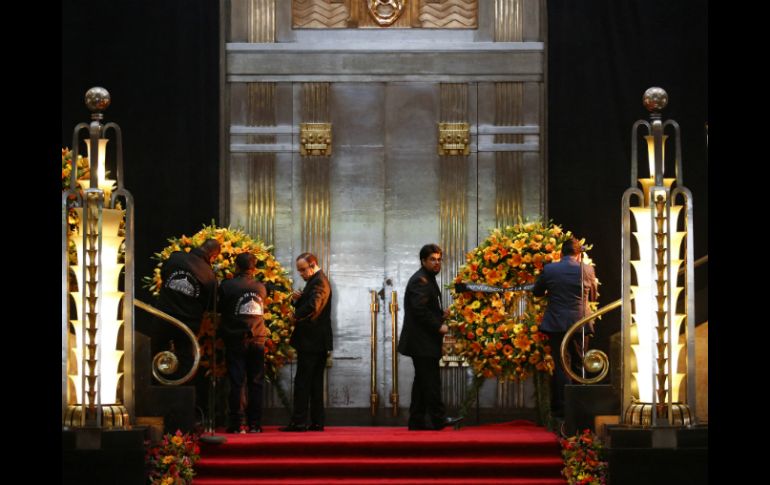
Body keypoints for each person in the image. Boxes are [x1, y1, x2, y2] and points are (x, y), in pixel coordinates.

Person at [398, 244, 464, 431]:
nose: (437, 263)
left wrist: (440, 314)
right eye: (432, 259)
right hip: (422, 342)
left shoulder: (427, 278)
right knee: (431, 381)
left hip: (422, 341)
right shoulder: (421, 280)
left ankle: (417, 420)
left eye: (439, 259)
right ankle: (438, 419)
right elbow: (419, 310)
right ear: (423, 261)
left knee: (422, 382)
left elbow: (424, 308)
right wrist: (439, 325)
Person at [532, 237, 598, 419]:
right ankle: (580, 409)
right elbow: (592, 296)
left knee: (562, 365)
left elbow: (537, 291)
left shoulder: (550, 269)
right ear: (578, 254)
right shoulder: (587, 269)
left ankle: (562, 408)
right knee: (579, 363)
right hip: (580, 323)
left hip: (556, 324)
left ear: (561, 253)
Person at [155, 238, 221, 382]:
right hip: (187, 324)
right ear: (213, 256)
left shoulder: (176, 257)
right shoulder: (210, 276)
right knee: (185, 361)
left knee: (156, 352)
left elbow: (164, 275)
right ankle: (180, 394)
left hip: (163, 315)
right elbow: (210, 305)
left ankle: (154, 389)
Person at [280, 252, 333, 432]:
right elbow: (311, 304)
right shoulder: (318, 280)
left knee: (303, 382)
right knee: (314, 383)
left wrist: (295, 315)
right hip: (317, 341)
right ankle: (316, 422)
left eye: (303, 269)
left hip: (311, 341)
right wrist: (299, 300)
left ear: (313, 264)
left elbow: (313, 306)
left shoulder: (318, 282)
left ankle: (299, 422)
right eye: (299, 271)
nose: (301, 274)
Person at [218, 252, 267, 434]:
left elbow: (220, 307)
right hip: (258, 339)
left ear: (236, 267)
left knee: (237, 381)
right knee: (256, 382)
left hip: (236, 338)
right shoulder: (261, 287)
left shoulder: (228, 286)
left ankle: (236, 424)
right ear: (253, 269)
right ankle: (255, 424)